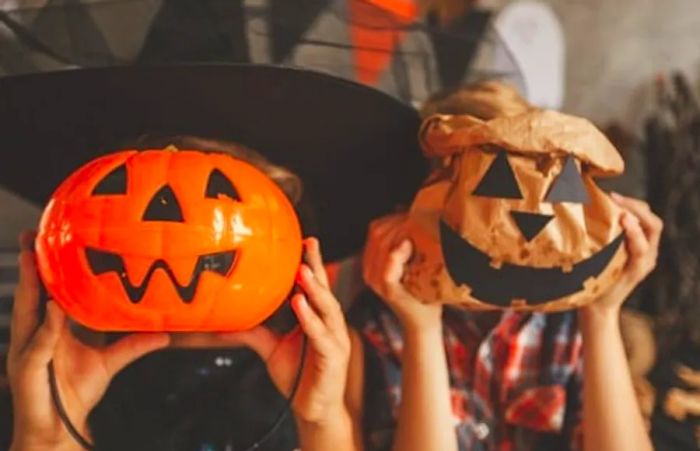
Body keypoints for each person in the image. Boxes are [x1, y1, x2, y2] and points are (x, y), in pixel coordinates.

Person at [344, 82, 659, 451]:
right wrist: (422, 329)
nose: (526, 227)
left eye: (557, 191)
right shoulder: (379, 328)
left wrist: (601, 312)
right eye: (492, 193)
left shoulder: (569, 325)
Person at [7, 136, 357, 451]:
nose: (168, 223)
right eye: (122, 186)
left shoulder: (315, 361)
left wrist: (322, 420)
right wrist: (47, 436)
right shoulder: (65, 366)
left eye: (218, 191)